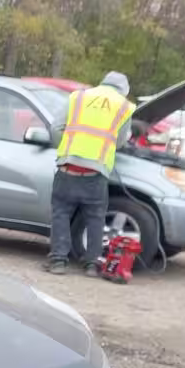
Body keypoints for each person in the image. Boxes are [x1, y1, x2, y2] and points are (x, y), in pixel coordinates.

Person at [45, 72, 134, 276]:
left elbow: (56, 127)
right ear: (124, 90)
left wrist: (66, 148)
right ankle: (92, 265)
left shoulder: (79, 97)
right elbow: (119, 142)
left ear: (102, 83)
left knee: (61, 213)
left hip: (68, 167)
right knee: (95, 218)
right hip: (96, 172)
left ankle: (58, 261)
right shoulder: (124, 106)